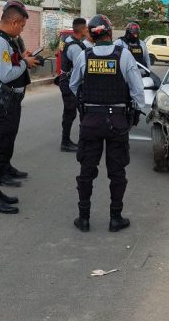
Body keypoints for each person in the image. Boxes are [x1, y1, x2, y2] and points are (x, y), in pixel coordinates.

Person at [69, 14, 145, 232]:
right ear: (110, 32)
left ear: (92, 36)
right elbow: (137, 90)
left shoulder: (85, 56)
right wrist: (137, 111)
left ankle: (83, 218)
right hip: (117, 120)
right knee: (117, 170)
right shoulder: (125, 55)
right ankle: (115, 218)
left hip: (91, 120)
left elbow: (74, 86)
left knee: (86, 170)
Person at [0, 1, 38, 214]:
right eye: (22, 25)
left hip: (9, 102)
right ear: (14, 22)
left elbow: (8, 66)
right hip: (2, 102)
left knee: (5, 147)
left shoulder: (5, 40)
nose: (22, 29)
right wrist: (24, 63)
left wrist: (21, 59)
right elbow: (6, 74)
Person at [57, 18, 91, 152]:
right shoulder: (75, 47)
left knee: (72, 112)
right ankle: (67, 142)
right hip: (70, 84)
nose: (88, 31)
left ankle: (71, 141)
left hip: (67, 81)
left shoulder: (68, 41)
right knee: (74, 112)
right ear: (82, 29)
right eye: (86, 29)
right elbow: (81, 69)